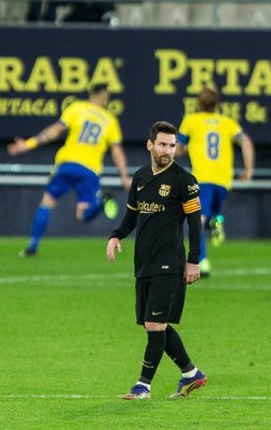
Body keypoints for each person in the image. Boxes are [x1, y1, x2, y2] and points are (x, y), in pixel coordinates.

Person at [106, 121, 207, 400]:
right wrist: (116, 236)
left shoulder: (184, 181)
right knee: (154, 325)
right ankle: (190, 373)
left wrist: (193, 260)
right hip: (144, 264)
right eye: (162, 144)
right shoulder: (139, 178)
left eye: (172, 145)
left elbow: (195, 224)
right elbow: (131, 217)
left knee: (155, 325)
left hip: (169, 264)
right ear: (150, 145)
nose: (168, 150)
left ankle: (143, 386)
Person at [7, 83, 130, 257]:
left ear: (90, 94)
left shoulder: (77, 108)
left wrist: (27, 145)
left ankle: (33, 244)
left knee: (47, 201)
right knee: (82, 215)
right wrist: (124, 177)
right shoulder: (110, 120)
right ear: (104, 98)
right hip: (90, 170)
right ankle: (101, 202)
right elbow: (117, 151)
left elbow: (54, 131)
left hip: (67, 164)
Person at [176, 86, 254, 277]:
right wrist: (248, 170)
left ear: (198, 103)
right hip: (223, 180)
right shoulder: (227, 122)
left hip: (202, 178)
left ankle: (201, 261)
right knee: (207, 215)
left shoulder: (191, 120)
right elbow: (246, 142)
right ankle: (216, 221)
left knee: (196, 219)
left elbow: (178, 150)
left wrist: (187, 148)